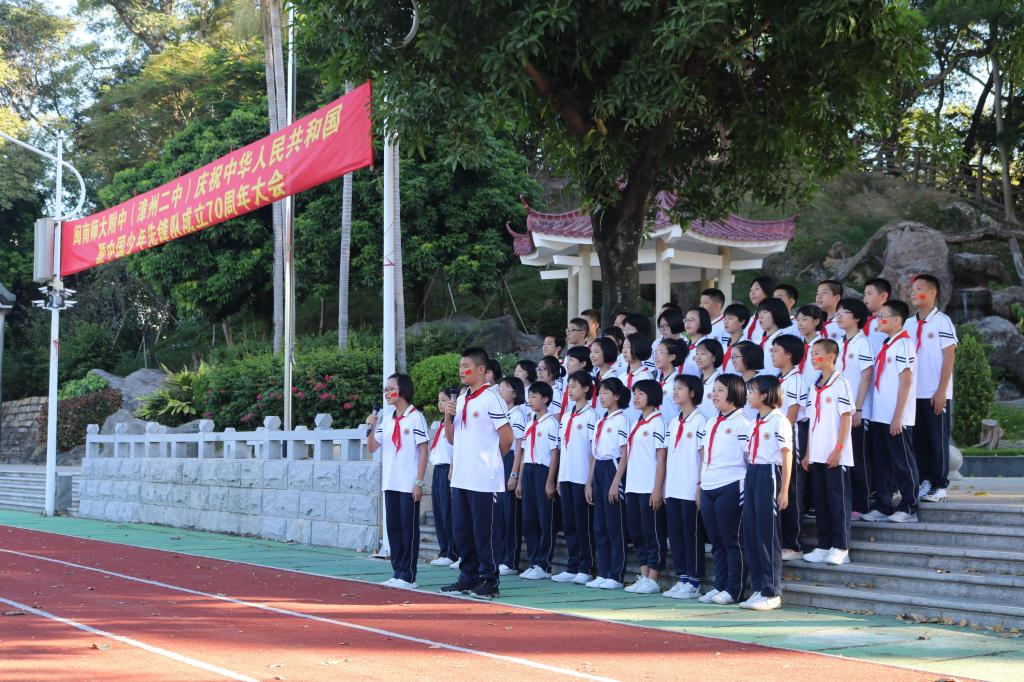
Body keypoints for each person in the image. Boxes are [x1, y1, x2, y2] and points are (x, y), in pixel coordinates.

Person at [442, 347, 514, 598]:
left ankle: (489, 581)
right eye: (460, 366)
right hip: (461, 478)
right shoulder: (461, 399)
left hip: (485, 479)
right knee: (463, 532)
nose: (461, 371)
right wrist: (447, 417)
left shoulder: (492, 398)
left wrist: (490, 461)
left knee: (485, 533)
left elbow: (507, 439)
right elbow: (452, 439)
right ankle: (467, 578)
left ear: (481, 369)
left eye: (466, 366)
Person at [366, 373, 429, 589]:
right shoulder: (387, 419)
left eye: (390, 388)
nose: (386, 393)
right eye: (385, 389)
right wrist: (371, 426)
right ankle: (398, 571)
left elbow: (423, 450)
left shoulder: (415, 417)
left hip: (408, 483)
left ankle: (409, 575)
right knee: (393, 529)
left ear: (403, 390)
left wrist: (419, 482)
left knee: (408, 530)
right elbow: (372, 447)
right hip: (390, 482)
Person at [862, 301, 919, 524]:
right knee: (881, 463)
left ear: (896, 320)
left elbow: (906, 381)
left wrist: (898, 416)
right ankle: (883, 505)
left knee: (902, 462)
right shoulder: (886, 344)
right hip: (880, 415)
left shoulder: (904, 345)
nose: (878, 319)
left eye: (883, 316)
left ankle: (909, 506)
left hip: (896, 417)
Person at [741, 375, 792, 611]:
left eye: (752, 391)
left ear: (764, 395)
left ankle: (772, 591)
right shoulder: (754, 421)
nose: (748, 395)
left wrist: (784, 490)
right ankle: (758, 587)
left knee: (767, 534)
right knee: (751, 533)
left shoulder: (778, 421)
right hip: (752, 473)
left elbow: (786, 455)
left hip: (768, 474)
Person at [699, 374, 751, 605]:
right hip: (708, 485)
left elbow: (749, 457)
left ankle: (734, 589)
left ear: (734, 392)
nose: (714, 394)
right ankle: (719, 585)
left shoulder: (742, 423)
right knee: (716, 541)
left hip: (731, 484)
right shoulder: (711, 422)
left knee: (732, 540)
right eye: (714, 390)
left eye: (720, 390)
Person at [802, 339, 855, 566]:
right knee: (821, 501)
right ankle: (824, 545)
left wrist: (839, 448)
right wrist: (808, 453)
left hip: (835, 454)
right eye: (811, 354)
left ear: (831, 356)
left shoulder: (841, 383)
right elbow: (811, 422)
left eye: (817, 353)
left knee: (837, 501)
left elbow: (846, 417)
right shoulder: (814, 387)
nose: (813, 358)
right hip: (817, 454)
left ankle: (841, 547)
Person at [906, 274, 957, 503]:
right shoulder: (908, 323)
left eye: (919, 289)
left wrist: (941, 391)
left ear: (933, 292)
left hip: (935, 392)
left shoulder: (942, 322)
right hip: (913, 394)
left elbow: (949, 356)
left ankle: (939, 485)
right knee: (919, 440)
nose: (913, 293)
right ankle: (924, 481)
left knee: (937, 439)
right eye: (912, 290)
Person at [663, 374, 707, 600]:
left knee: (692, 535)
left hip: (690, 487)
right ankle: (682, 577)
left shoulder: (700, 421)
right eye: (674, 388)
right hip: (674, 486)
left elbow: (703, 456)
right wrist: (664, 486)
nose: (675, 392)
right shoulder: (673, 422)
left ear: (692, 393)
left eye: (680, 388)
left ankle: (694, 580)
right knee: (676, 535)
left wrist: (700, 485)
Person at [622, 379, 668, 595]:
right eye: (635, 393)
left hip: (649, 486)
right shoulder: (636, 424)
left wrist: (657, 489)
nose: (636, 397)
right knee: (637, 531)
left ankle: (654, 577)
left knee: (653, 532)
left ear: (652, 396)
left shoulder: (658, 423)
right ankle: (644, 574)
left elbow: (661, 458)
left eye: (641, 393)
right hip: (633, 485)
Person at [511, 381, 560, 581]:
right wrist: (520, 480)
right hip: (529, 471)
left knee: (544, 519)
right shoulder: (530, 423)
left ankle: (543, 564)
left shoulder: (551, 423)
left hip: (543, 471)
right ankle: (533, 561)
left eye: (534, 396)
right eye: (529, 396)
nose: (530, 400)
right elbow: (524, 454)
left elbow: (554, 454)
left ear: (545, 399)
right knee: (529, 520)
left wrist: (550, 481)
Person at [585, 377, 631, 589]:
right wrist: (589, 482)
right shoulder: (600, 421)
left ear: (617, 396)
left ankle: (616, 574)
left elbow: (624, 453)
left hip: (613, 468)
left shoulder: (621, 420)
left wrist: (616, 482)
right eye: (600, 392)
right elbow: (595, 454)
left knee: (615, 524)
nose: (601, 396)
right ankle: (603, 572)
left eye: (606, 392)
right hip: (599, 470)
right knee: (599, 526)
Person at [553, 370, 597, 585]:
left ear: (586, 389)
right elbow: (563, 447)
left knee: (583, 524)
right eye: (568, 386)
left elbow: (592, 450)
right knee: (569, 523)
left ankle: (585, 566)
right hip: (566, 475)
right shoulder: (566, 416)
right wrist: (559, 478)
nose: (570, 390)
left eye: (574, 386)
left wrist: (589, 481)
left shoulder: (591, 416)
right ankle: (572, 564)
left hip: (581, 477)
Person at [835, 298, 875, 518]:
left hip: (857, 412)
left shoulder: (863, 343)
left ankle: (862, 503)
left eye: (845, 312)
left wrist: (858, 409)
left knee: (858, 458)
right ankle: (846, 501)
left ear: (858, 318)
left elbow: (866, 376)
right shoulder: (839, 344)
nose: (839, 315)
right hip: (839, 413)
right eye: (838, 312)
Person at [770, 334, 808, 561]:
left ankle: (793, 544)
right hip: (774, 442)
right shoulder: (778, 379)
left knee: (791, 491)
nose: (772, 354)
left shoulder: (795, 380)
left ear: (789, 355)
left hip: (790, 439)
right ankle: (780, 540)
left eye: (776, 350)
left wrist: (780, 437)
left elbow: (791, 414)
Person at [497, 377, 528, 575]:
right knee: (500, 514)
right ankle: (501, 556)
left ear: (515, 393)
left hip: (511, 461)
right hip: (500, 460)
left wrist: (514, 473)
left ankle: (511, 560)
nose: (500, 392)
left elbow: (519, 447)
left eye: (504, 389)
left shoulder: (517, 415)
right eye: (499, 388)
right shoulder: (503, 413)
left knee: (510, 515)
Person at [428, 387, 459, 568]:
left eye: (444, 400)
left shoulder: (454, 422)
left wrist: (452, 468)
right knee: (439, 512)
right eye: (439, 401)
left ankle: (453, 552)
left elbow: (455, 447)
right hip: (438, 470)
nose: (440, 404)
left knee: (449, 513)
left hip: (449, 469)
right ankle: (444, 549)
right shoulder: (442, 422)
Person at [619, 332, 654, 422]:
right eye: (623, 347)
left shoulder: (645, 377)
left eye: (629, 347)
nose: (624, 351)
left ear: (639, 348)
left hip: (639, 423)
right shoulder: (622, 377)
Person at [755, 298, 794, 372]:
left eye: (764, 312)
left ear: (776, 313)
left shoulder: (785, 343)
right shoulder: (756, 342)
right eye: (759, 312)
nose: (760, 316)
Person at [654, 338, 687, 423]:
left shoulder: (679, 383)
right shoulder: (655, 380)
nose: (656, 356)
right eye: (656, 352)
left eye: (660, 352)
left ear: (672, 357)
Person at [730, 340, 764, 422]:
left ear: (748, 356)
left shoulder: (763, 384)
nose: (733, 361)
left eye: (736, 357)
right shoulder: (733, 383)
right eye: (732, 357)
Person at [795, 304, 827, 390]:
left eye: (804, 319)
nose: (800, 324)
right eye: (798, 320)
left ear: (816, 322)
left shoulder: (824, 347)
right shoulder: (797, 345)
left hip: (814, 392)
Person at [693, 338, 724, 421]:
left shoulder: (721, 383)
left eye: (703, 353)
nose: (698, 357)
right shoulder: (695, 383)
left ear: (714, 357)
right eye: (697, 353)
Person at [589, 337, 620, 417]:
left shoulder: (613, 379)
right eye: (591, 352)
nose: (592, 355)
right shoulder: (595, 377)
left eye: (596, 352)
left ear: (607, 352)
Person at [862, 277, 892, 349]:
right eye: (864, 295)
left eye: (869, 294)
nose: (865, 298)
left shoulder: (889, 321)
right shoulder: (863, 321)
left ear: (883, 296)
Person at [682, 306, 712, 377]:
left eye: (691, 320)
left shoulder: (708, 347)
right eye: (686, 320)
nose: (687, 323)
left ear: (702, 321)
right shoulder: (683, 345)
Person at [744, 276, 775, 344]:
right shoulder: (750, 320)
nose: (752, 293)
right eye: (751, 290)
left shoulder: (775, 318)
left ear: (767, 290)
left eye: (757, 289)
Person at [721, 303, 750, 374]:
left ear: (742, 321)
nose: (726, 322)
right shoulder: (722, 347)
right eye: (725, 319)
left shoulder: (748, 347)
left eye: (730, 318)